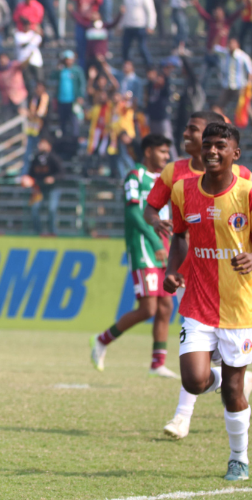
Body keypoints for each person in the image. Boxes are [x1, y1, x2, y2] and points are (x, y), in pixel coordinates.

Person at [142, 111, 252, 439]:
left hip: (237, 298)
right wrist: (172, 269)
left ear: (234, 152)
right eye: (205, 142)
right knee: (194, 376)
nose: (188, 136)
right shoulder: (177, 179)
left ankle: (236, 456)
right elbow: (169, 225)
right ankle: (182, 416)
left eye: (196, 130)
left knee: (232, 388)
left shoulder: (244, 184)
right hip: (196, 291)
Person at [90, 134, 178, 377]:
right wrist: (153, 239)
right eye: (162, 151)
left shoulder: (165, 179)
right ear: (148, 151)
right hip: (143, 246)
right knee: (149, 308)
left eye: (167, 152)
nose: (166, 156)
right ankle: (102, 340)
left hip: (164, 246)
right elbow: (133, 214)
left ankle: (157, 363)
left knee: (166, 305)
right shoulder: (134, 176)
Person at [192, 0, 243, 87]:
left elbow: (236, 14)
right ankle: (200, 95)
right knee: (203, 78)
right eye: (215, 11)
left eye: (218, 11)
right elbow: (202, 13)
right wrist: (196, 4)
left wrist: (244, 6)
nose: (216, 13)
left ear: (222, 13)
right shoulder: (211, 21)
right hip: (209, 52)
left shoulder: (226, 22)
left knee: (222, 75)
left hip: (220, 54)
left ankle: (225, 92)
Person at [28, 136, 62, 235]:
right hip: (39, 189)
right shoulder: (36, 158)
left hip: (53, 189)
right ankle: (38, 233)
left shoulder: (54, 158)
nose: (40, 145)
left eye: (43, 143)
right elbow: (31, 174)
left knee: (52, 209)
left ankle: (52, 232)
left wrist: (53, 178)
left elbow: (62, 173)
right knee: (35, 208)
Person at [51, 51, 86, 139]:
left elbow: (82, 84)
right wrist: (57, 67)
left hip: (72, 100)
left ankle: (74, 140)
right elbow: (52, 76)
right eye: (66, 59)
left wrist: (80, 96)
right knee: (62, 122)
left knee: (74, 122)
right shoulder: (61, 70)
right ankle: (64, 140)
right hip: (62, 100)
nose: (68, 61)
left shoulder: (77, 70)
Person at [215, 38, 252, 116]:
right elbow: (215, 48)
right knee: (219, 105)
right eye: (230, 44)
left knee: (245, 106)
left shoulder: (243, 56)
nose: (231, 46)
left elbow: (250, 71)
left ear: (237, 45)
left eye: (233, 44)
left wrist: (249, 84)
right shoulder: (226, 54)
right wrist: (218, 36)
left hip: (240, 86)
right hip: (227, 85)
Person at [0, 52, 28, 119]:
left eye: (4, 58)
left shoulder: (14, 65)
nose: (2, 60)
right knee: (8, 118)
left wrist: (29, 57)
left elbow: (23, 64)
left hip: (19, 96)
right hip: (7, 99)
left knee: (22, 116)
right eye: (0, 59)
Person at [122, 0, 156, 67]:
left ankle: (149, 67)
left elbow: (151, 11)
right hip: (128, 26)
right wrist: (121, 25)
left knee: (142, 48)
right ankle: (127, 68)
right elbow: (124, 11)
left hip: (140, 26)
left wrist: (151, 26)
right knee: (125, 48)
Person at [14, 19, 43, 97]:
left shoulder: (35, 35)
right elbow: (23, 45)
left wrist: (40, 34)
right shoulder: (18, 35)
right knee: (27, 83)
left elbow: (40, 43)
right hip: (24, 62)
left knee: (39, 82)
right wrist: (34, 36)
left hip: (36, 61)